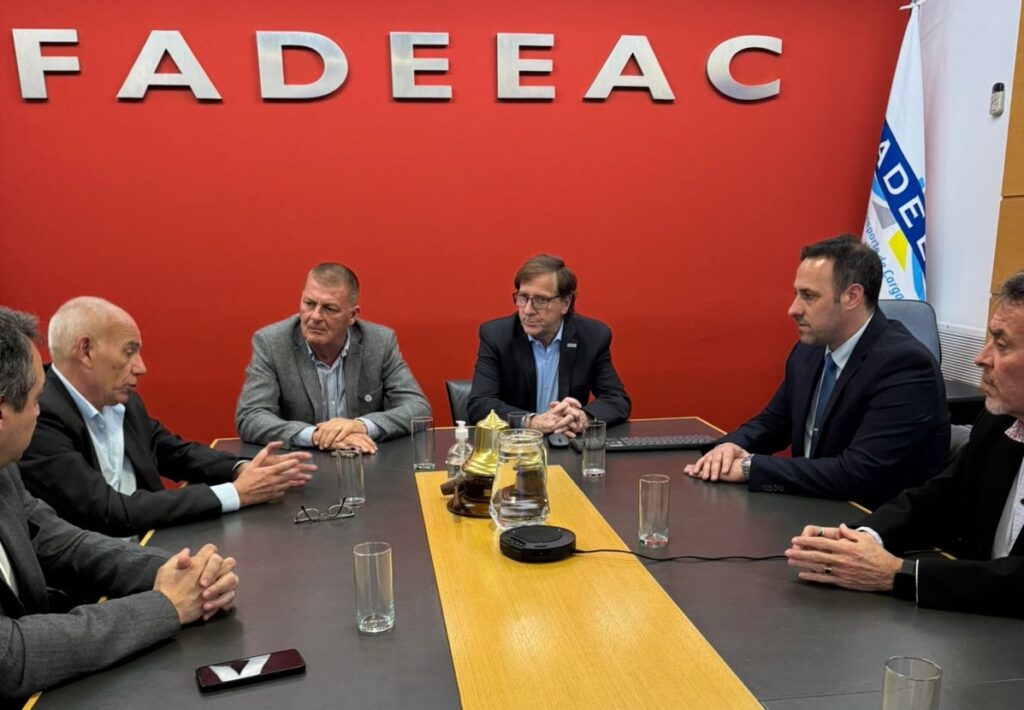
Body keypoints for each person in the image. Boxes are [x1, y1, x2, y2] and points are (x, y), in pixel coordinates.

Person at [0, 306, 239, 701]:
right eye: (36, 400)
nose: (40, 412)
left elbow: (61, 542)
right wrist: (166, 606)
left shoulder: (4, 470)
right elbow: (11, 655)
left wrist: (182, 573)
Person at [786, 271, 1024, 618]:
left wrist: (896, 574)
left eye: (1001, 345)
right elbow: (941, 497)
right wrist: (861, 538)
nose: (981, 358)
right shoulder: (1000, 421)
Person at [684, 236, 949, 508]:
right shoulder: (808, 351)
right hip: (814, 507)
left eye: (808, 296)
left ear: (852, 297)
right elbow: (772, 424)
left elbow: (858, 472)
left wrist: (750, 466)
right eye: (796, 294)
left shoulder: (904, 365)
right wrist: (728, 448)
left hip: (872, 521)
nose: (793, 309)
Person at [19, 297, 314, 537]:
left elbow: (173, 452)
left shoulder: (122, 401)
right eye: (129, 352)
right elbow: (108, 511)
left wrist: (242, 468)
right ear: (85, 351)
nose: (141, 367)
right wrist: (237, 493)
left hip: (149, 544)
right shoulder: (38, 418)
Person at [235, 263, 430, 453]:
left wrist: (361, 426)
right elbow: (250, 417)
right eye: (309, 304)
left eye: (329, 308)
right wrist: (315, 436)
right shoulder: (272, 343)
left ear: (352, 316)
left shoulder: (379, 342)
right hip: (302, 462)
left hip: (366, 459)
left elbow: (418, 408)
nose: (315, 316)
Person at [467, 254, 631, 436]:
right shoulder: (497, 335)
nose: (528, 310)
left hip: (567, 441)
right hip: (515, 444)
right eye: (523, 297)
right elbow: (480, 404)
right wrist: (531, 422)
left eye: (541, 300)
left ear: (566, 303)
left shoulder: (592, 336)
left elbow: (617, 400)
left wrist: (583, 418)